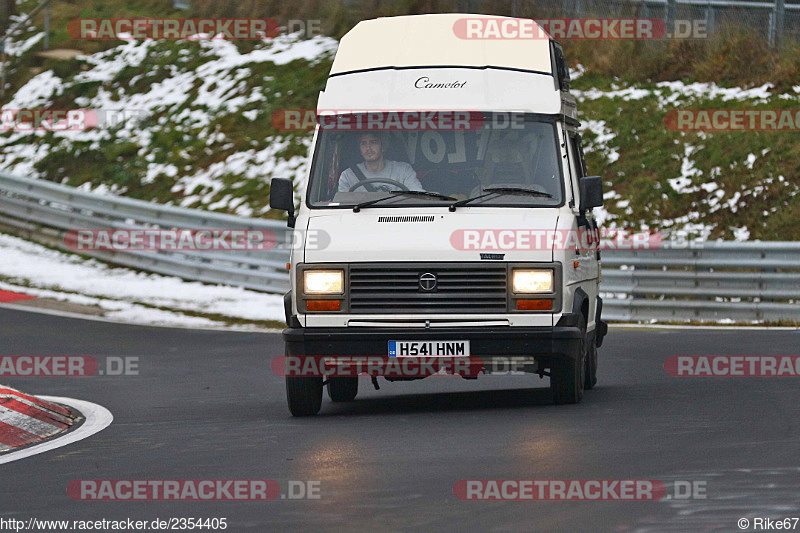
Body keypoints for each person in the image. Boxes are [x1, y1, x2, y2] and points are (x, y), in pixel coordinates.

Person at [338, 132, 424, 192]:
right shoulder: (348, 175)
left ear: (384, 146)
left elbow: (418, 197)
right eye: (363, 143)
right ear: (359, 148)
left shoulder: (403, 170)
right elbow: (341, 208)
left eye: (373, 142)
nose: (368, 148)